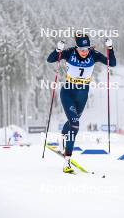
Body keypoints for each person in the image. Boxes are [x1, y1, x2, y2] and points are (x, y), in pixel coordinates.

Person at [47, 34, 116, 173]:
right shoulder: (69, 52)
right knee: (74, 124)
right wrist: (58, 50)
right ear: (76, 47)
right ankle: (67, 162)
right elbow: (50, 59)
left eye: (86, 49)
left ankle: (61, 139)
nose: (84, 52)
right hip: (68, 92)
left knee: (74, 121)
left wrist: (110, 48)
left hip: (83, 94)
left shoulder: (94, 54)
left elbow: (112, 63)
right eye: (81, 49)